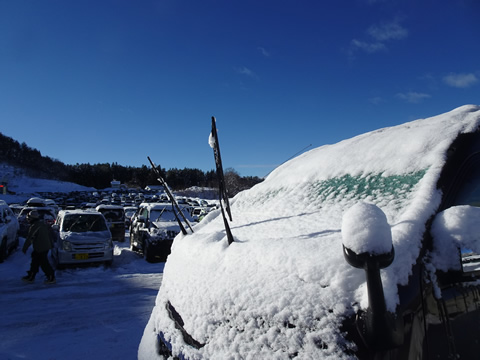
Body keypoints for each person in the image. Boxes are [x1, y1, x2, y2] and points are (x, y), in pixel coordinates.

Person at [21, 210, 56, 284]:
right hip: (43, 246)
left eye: (29, 218)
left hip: (41, 247)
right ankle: (31, 276)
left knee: (43, 263)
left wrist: (25, 248)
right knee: (35, 262)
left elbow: (29, 238)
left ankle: (51, 277)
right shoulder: (41, 224)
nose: (28, 219)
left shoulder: (35, 226)